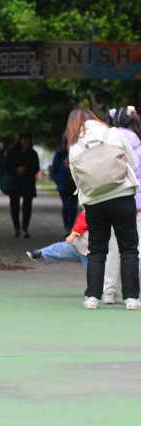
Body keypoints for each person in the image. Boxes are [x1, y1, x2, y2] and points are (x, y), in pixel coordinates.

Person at [66, 107, 141, 310]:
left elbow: (76, 178)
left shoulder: (75, 144)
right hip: (122, 196)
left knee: (97, 250)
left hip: (94, 201)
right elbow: (133, 164)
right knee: (129, 249)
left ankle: (92, 297)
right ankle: (132, 298)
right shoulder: (113, 133)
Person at [101, 106, 141, 305]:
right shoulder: (139, 144)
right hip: (137, 204)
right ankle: (133, 294)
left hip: (113, 200)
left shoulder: (107, 141)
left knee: (113, 249)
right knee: (135, 250)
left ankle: (109, 292)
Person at [4, 132, 40, 238]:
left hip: (28, 182)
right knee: (14, 206)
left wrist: (26, 170)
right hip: (15, 182)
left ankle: (25, 228)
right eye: (24, 139)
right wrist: (16, 170)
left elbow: (36, 168)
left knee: (27, 206)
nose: (26, 142)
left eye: (28, 139)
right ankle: (16, 227)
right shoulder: (12, 152)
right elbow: (6, 166)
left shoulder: (33, 153)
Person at [51, 133, 78, 236]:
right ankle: (67, 226)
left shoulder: (77, 152)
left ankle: (70, 226)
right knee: (66, 205)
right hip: (64, 184)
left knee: (73, 206)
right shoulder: (59, 154)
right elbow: (54, 170)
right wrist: (58, 181)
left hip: (74, 184)